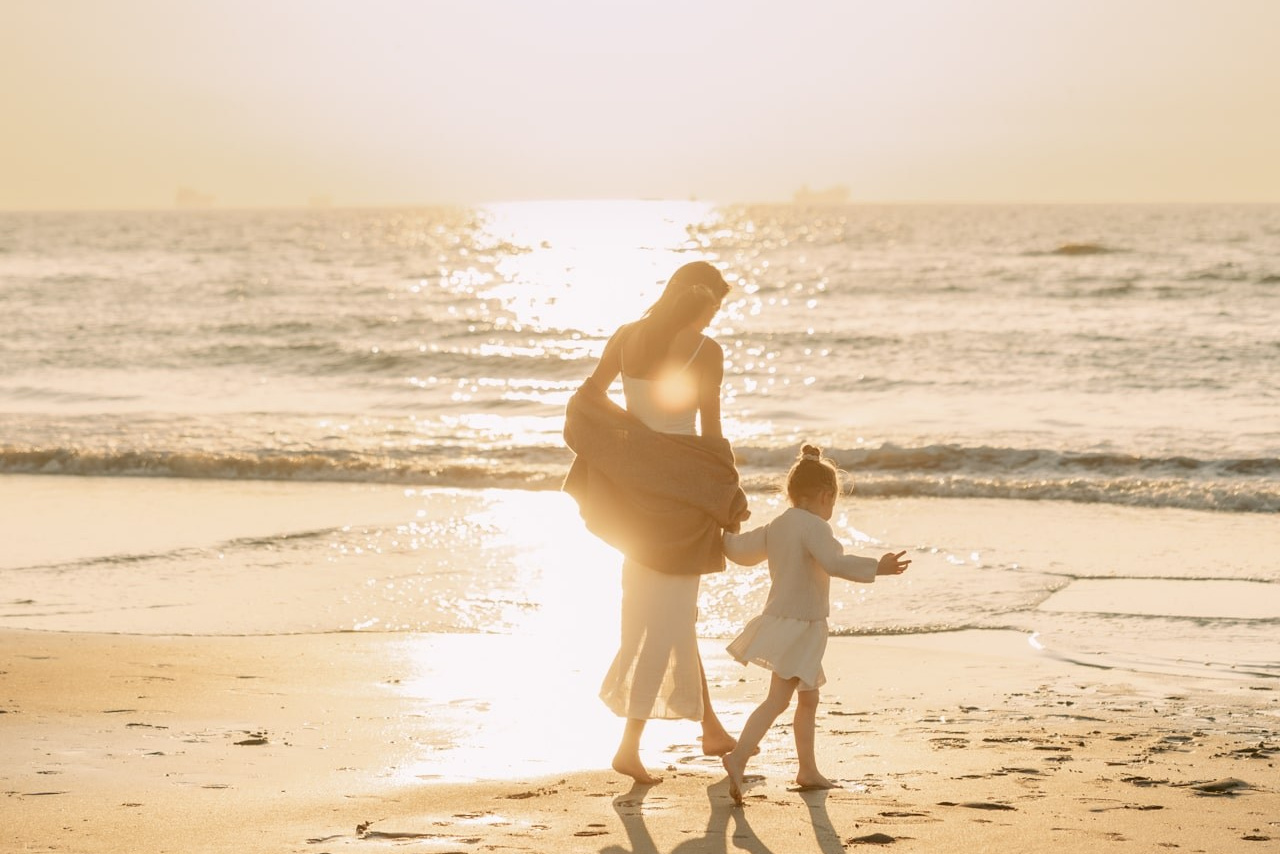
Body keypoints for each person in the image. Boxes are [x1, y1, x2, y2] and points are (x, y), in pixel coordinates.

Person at [561, 260, 750, 785]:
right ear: (698, 298)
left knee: (662, 614)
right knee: (665, 621)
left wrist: (629, 446)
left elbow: (587, 398)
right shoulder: (706, 351)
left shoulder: (625, 336)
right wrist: (727, 495)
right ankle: (629, 745)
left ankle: (711, 728)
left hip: (635, 498)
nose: (714, 317)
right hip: (682, 498)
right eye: (715, 306)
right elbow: (711, 433)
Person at [719, 444, 910, 805]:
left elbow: (741, 552)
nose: (831, 510)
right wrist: (877, 567)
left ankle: (807, 770)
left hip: (784, 621)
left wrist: (725, 531)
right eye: (833, 502)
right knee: (777, 700)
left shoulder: (778, 525)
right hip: (802, 626)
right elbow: (834, 563)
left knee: (808, 698)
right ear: (825, 496)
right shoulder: (816, 527)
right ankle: (739, 756)